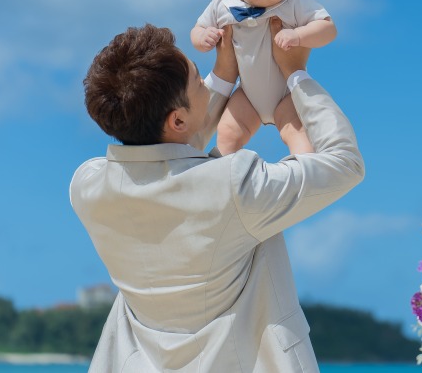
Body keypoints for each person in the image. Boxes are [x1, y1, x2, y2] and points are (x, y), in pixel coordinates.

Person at [70, 19, 364, 372]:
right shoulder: (234, 185)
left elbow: (166, 151)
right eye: (199, 79)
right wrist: (297, 76)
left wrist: (224, 73)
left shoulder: (86, 186)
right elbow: (345, 164)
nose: (206, 87)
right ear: (178, 120)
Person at [191, 0, 337, 155]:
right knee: (227, 132)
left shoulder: (293, 2)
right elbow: (197, 30)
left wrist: (299, 35)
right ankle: (220, 176)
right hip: (247, 94)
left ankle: (302, 175)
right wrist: (203, 38)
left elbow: (328, 28)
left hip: (288, 93)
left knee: (299, 136)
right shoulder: (223, 3)